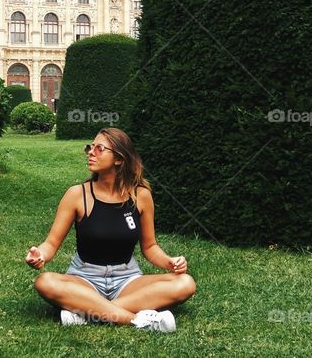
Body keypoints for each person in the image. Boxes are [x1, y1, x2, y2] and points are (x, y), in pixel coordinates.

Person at [24, 127, 195, 332]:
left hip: (127, 279)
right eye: (90, 147)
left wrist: (169, 261)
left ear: (119, 159)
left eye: (99, 149)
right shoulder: (77, 194)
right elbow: (51, 243)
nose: (90, 152)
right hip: (84, 278)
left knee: (185, 283)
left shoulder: (140, 196)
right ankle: (140, 320)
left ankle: (85, 312)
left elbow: (150, 247)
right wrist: (40, 255)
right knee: (45, 282)